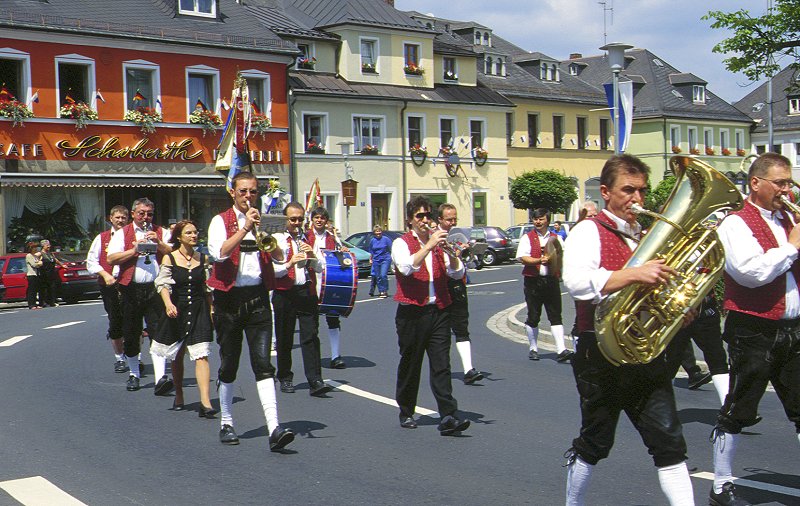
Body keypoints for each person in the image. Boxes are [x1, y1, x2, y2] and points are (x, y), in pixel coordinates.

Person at [562, 154, 695, 505]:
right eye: (628, 190)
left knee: (669, 442)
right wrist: (634, 273)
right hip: (598, 353)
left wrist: (679, 307)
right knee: (595, 442)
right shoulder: (588, 231)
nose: (637, 199)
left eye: (642, 191)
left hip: (646, 354)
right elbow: (576, 282)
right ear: (606, 192)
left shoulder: (650, 234)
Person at [709, 152, 800, 506]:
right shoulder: (735, 224)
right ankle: (721, 483)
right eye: (780, 183)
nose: (786, 189)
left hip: (793, 327)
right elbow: (751, 272)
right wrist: (792, 246)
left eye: (789, 182)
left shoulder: (787, 218)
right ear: (756, 183)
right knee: (740, 407)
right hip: (753, 327)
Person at [207, 171, 294, 450]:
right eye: (243, 191)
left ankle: (274, 427)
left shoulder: (264, 222)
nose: (248, 196)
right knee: (229, 363)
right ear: (232, 192)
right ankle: (227, 422)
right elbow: (219, 252)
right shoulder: (220, 221)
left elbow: (279, 261)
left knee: (263, 363)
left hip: (257, 297)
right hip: (228, 299)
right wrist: (244, 228)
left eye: (253, 191)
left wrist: (269, 239)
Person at [392, 196, 469, 435]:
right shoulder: (401, 243)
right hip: (412, 312)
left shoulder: (439, 243)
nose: (425, 221)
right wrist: (428, 246)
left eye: (427, 216)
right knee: (411, 363)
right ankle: (406, 410)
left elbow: (456, 274)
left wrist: (453, 252)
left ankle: (448, 415)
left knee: (441, 364)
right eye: (420, 216)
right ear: (410, 220)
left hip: (439, 310)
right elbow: (406, 268)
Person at [107, 197, 172, 393]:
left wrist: (158, 243)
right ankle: (134, 373)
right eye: (141, 213)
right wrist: (134, 250)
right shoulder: (122, 234)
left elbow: (172, 252)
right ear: (134, 214)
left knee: (158, 332)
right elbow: (111, 258)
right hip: (131, 288)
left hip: (155, 288)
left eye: (149, 214)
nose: (145, 217)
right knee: (131, 332)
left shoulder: (160, 231)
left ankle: (161, 377)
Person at [153, 220, 216, 417]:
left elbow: (207, 289)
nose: (194, 235)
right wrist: (168, 304)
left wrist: (212, 309)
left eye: (196, 232)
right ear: (179, 237)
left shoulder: (203, 258)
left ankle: (205, 402)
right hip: (177, 309)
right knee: (178, 354)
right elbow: (163, 284)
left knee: (201, 354)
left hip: (198, 309)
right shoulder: (169, 258)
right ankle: (179, 393)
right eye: (189, 233)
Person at [272, 202, 331, 397]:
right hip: (284, 291)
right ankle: (285, 377)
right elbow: (274, 271)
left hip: (306, 290)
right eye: (293, 219)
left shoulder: (309, 237)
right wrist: (290, 262)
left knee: (310, 336)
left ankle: (315, 380)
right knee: (284, 336)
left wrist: (312, 255)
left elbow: (321, 268)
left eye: (300, 219)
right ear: (285, 219)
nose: (297, 223)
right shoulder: (276, 239)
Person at [516, 208, 572, 362]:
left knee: (555, 315)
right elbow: (522, 257)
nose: (538, 222)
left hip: (551, 281)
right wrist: (539, 260)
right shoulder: (527, 238)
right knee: (533, 316)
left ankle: (561, 350)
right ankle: (533, 348)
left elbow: (562, 256)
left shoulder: (556, 238)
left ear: (547, 220)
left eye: (541, 219)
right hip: (533, 281)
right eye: (535, 219)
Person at [437, 203, 483, 385]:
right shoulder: (435, 238)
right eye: (449, 219)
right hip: (441, 287)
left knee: (461, 328)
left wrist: (467, 252)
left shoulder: (456, 236)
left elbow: (466, 266)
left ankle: (468, 369)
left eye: (454, 219)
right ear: (440, 219)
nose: (452, 222)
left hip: (458, 287)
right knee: (441, 332)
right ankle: (442, 369)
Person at [86, 205, 129, 373]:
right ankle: (119, 358)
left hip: (129, 284)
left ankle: (135, 356)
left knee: (133, 321)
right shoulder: (102, 238)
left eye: (123, 218)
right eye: (117, 217)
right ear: (110, 218)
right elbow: (91, 261)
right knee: (115, 321)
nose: (120, 220)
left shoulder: (133, 237)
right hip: (109, 286)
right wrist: (105, 275)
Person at [305, 208, 349, 369]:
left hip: (329, 281)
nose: (319, 220)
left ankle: (336, 356)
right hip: (311, 281)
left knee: (332, 318)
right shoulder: (305, 237)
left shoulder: (333, 238)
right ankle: (314, 358)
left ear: (326, 220)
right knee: (311, 323)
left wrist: (343, 252)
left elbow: (341, 259)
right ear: (312, 219)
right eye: (316, 217)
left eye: (322, 218)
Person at [39, 239, 66, 307]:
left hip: (52, 273)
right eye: (47, 245)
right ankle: (43, 302)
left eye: (49, 245)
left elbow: (55, 260)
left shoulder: (50, 253)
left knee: (52, 288)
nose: (49, 246)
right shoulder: (40, 254)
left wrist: (62, 265)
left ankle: (52, 302)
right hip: (44, 274)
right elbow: (36, 261)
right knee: (44, 289)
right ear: (43, 246)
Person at [368, 226, 392, 298]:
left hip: (385, 259)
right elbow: (371, 250)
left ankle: (385, 290)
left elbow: (391, 248)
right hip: (376, 260)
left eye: (379, 232)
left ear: (381, 232)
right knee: (378, 276)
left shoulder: (386, 239)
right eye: (376, 232)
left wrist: (392, 258)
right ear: (374, 233)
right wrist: (370, 259)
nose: (378, 234)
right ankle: (381, 290)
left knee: (383, 275)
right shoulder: (372, 240)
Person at [25, 242, 43, 310]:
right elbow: (34, 264)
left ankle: (35, 304)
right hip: (31, 274)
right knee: (31, 290)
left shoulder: (35, 256)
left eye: (36, 247)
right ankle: (31, 304)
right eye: (34, 247)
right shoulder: (29, 255)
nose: (35, 249)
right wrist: (40, 263)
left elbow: (38, 262)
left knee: (36, 290)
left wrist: (39, 262)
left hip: (36, 274)